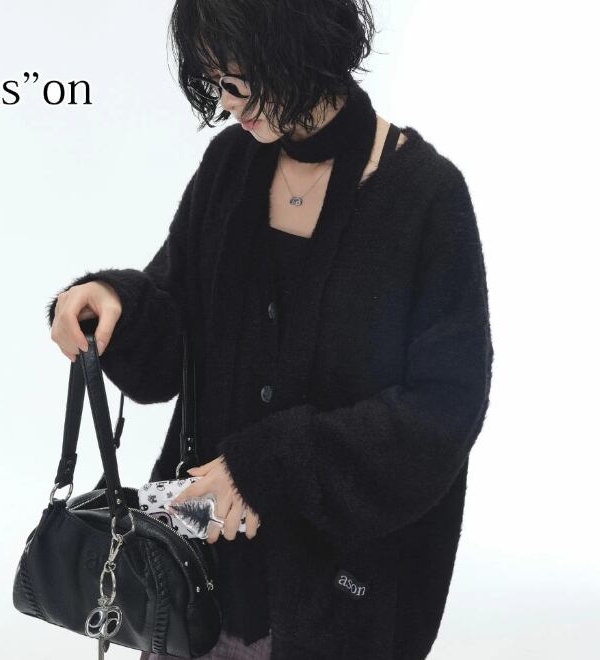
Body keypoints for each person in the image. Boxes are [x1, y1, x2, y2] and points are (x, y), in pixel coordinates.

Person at [47, 1, 493, 658]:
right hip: (196, 580)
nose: (227, 103)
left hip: (340, 598)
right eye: (213, 81)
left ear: (301, 42)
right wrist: (112, 303)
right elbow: (172, 339)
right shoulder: (230, 165)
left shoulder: (425, 196)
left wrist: (266, 470)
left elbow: (443, 412)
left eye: (238, 78)